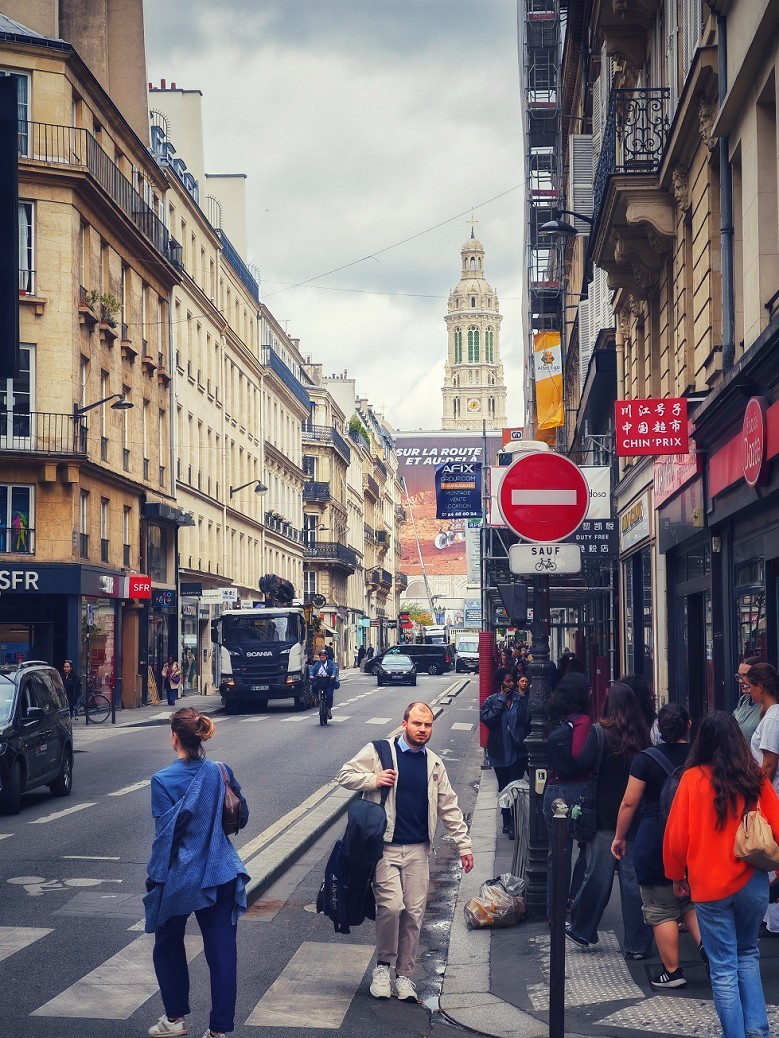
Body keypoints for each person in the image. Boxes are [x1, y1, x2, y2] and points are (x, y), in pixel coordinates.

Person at [337, 702, 473, 1003]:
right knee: (391, 907)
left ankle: (405, 975)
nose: (422, 729)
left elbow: (449, 806)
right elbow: (344, 775)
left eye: (427, 725)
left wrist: (464, 845)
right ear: (404, 724)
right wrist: (373, 780)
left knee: (414, 913)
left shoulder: (435, 764)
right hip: (384, 847)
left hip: (418, 850)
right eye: (417, 724)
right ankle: (383, 967)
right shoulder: (380, 752)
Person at [664, 711, 779, 1038]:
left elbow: (676, 837)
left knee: (724, 968)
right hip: (751, 881)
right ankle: (758, 1031)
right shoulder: (753, 777)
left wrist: (676, 875)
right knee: (748, 955)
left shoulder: (691, 780)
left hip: (710, 886)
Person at [144, 708, 249, 1038]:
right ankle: (218, 1031)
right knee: (222, 952)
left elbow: (166, 839)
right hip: (220, 871)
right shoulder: (220, 771)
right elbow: (240, 819)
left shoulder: (162, 780)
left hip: (180, 876)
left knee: (168, 942)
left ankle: (174, 1020)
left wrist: (156, 880)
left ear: (174, 737)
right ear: (201, 737)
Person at [612, 703, 702, 989]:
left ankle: (672, 972)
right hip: (693, 837)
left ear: (659, 730)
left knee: (660, 905)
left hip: (655, 837)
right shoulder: (700, 757)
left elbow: (629, 802)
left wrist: (619, 836)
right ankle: (711, 950)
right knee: (690, 901)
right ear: (689, 725)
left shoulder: (645, 759)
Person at [566, 682, 653, 960]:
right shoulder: (642, 734)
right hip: (636, 817)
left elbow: (582, 762)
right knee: (632, 883)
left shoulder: (598, 731)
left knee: (597, 877)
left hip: (603, 816)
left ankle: (583, 928)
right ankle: (638, 944)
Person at [542, 672, 592, 916]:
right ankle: (575, 902)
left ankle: (555, 913)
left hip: (552, 788)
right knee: (587, 848)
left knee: (557, 855)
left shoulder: (554, 718)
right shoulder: (582, 721)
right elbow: (578, 756)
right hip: (576, 791)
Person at [480, 668, 531, 840]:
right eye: (507, 681)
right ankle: (507, 820)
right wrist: (501, 701)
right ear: (501, 682)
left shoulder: (521, 700)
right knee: (503, 787)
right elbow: (489, 721)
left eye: (512, 681)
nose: (510, 684)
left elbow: (527, 721)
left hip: (518, 752)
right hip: (499, 752)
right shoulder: (491, 701)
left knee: (514, 787)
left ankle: (515, 823)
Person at [735, 655, 766, 743]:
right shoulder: (744, 700)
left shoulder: (768, 705)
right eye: (739, 676)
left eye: (745, 675)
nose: (741, 680)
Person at [311, 648, 338, 722]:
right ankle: (316, 698)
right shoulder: (317, 664)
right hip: (320, 680)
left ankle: (329, 710)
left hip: (328, 681)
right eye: (321, 656)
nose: (322, 657)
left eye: (324, 656)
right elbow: (312, 670)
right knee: (314, 686)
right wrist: (311, 675)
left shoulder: (330, 663)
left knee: (329, 694)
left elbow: (334, 669)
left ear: (326, 656)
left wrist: (333, 675)